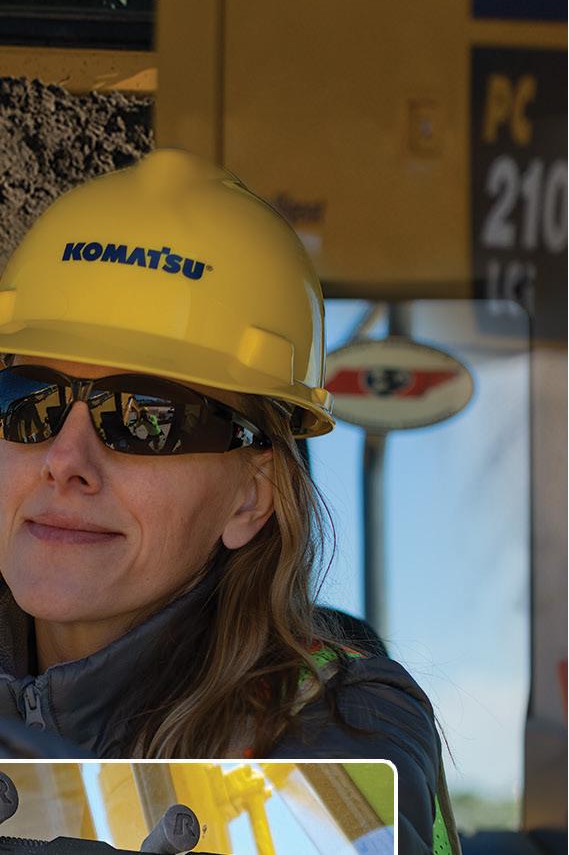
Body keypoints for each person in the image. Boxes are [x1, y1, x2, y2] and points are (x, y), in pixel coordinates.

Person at [0, 149, 459, 855]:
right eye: (30, 401)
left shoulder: (349, 727)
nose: (66, 461)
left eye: (145, 419)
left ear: (252, 496)